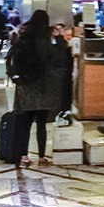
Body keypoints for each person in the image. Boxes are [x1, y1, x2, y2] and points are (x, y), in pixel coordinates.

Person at [11, 10, 64, 166]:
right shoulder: (46, 39)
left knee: (25, 124)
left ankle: (23, 156)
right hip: (43, 86)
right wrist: (59, 37)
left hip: (26, 86)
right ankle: (41, 156)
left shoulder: (23, 36)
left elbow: (15, 59)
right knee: (41, 123)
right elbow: (56, 59)